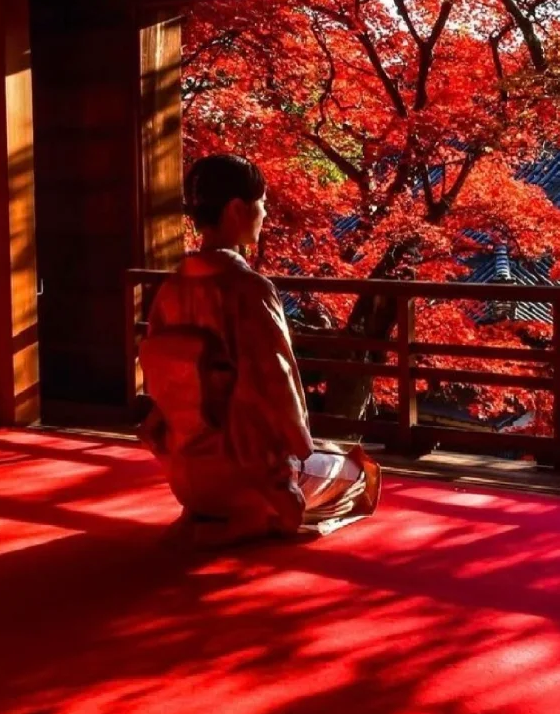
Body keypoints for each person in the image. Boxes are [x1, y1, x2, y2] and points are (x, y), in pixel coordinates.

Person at [138, 153, 380, 545]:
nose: (265, 212)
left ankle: (215, 514)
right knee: (357, 474)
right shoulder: (250, 290)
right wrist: (301, 445)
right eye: (262, 202)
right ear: (237, 209)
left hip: (186, 473)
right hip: (249, 475)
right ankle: (261, 514)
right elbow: (277, 377)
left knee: (324, 451)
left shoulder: (170, 289)